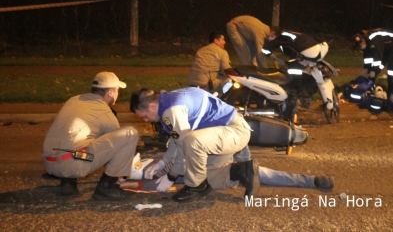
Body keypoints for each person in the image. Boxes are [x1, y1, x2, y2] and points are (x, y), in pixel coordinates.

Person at [130, 87, 259, 203]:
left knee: (192, 144)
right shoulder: (169, 100)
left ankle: (195, 186)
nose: (146, 120)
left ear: (152, 106)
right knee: (196, 170)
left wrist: (171, 177)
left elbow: (184, 144)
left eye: (145, 116)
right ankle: (242, 171)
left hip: (234, 132)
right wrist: (164, 162)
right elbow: (177, 137)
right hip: (224, 135)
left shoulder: (172, 111)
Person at [42, 71, 139, 200]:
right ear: (110, 92)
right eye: (117, 90)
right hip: (70, 164)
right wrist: (121, 176)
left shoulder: (73, 100)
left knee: (77, 140)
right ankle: (106, 187)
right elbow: (114, 152)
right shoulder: (106, 113)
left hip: (49, 162)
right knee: (130, 134)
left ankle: (68, 183)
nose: (118, 94)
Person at [119, 153, 335, 192]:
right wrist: (126, 184)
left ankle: (311, 181)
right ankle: (312, 181)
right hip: (217, 172)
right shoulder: (152, 176)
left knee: (264, 173)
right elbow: (147, 186)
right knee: (263, 174)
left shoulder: (158, 159)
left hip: (216, 161)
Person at [352, 28, 393, 102]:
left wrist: (373, 70)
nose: (359, 49)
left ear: (363, 41)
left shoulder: (373, 40)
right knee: (375, 69)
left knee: (391, 71)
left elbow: (377, 57)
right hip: (387, 48)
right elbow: (368, 57)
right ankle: (370, 86)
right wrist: (367, 68)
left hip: (391, 46)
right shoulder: (367, 42)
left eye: (359, 46)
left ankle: (391, 92)